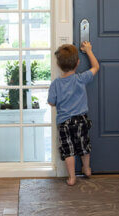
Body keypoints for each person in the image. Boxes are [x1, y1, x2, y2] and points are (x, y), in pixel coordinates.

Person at [48, 42, 100, 186]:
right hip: (81, 120)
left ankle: (72, 177)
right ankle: (87, 169)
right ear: (77, 63)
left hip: (64, 122)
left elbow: (51, 102)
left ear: (58, 65)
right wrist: (89, 51)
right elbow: (96, 67)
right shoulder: (81, 78)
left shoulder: (56, 84)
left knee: (68, 150)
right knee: (84, 146)